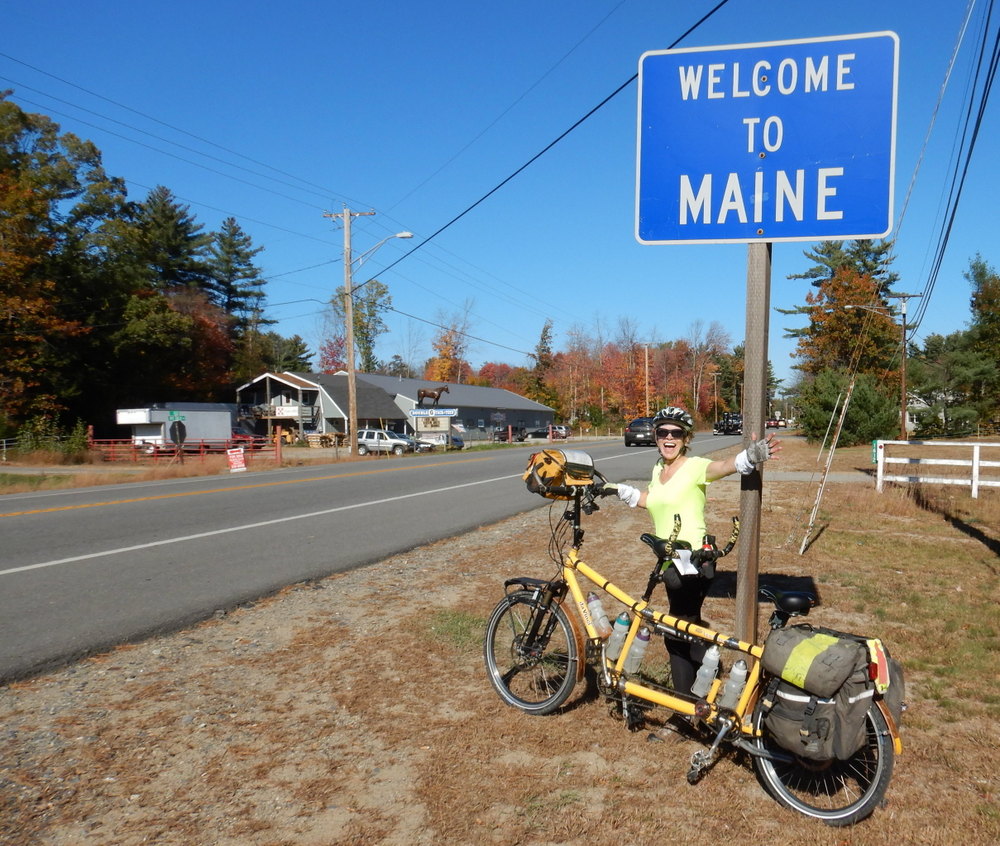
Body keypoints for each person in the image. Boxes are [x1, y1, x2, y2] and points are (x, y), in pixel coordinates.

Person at [610, 406, 781, 698]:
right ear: (655, 435)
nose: (669, 437)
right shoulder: (659, 469)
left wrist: (748, 457)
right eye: (662, 431)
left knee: (679, 632)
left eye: (676, 433)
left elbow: (722, 466)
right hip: (668, 560)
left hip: (693, 560)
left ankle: (692, 705)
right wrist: (626, 493)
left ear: (686, 438)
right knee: (686, 628)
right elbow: (656, 501)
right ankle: (705, 693)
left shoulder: (694, 466)